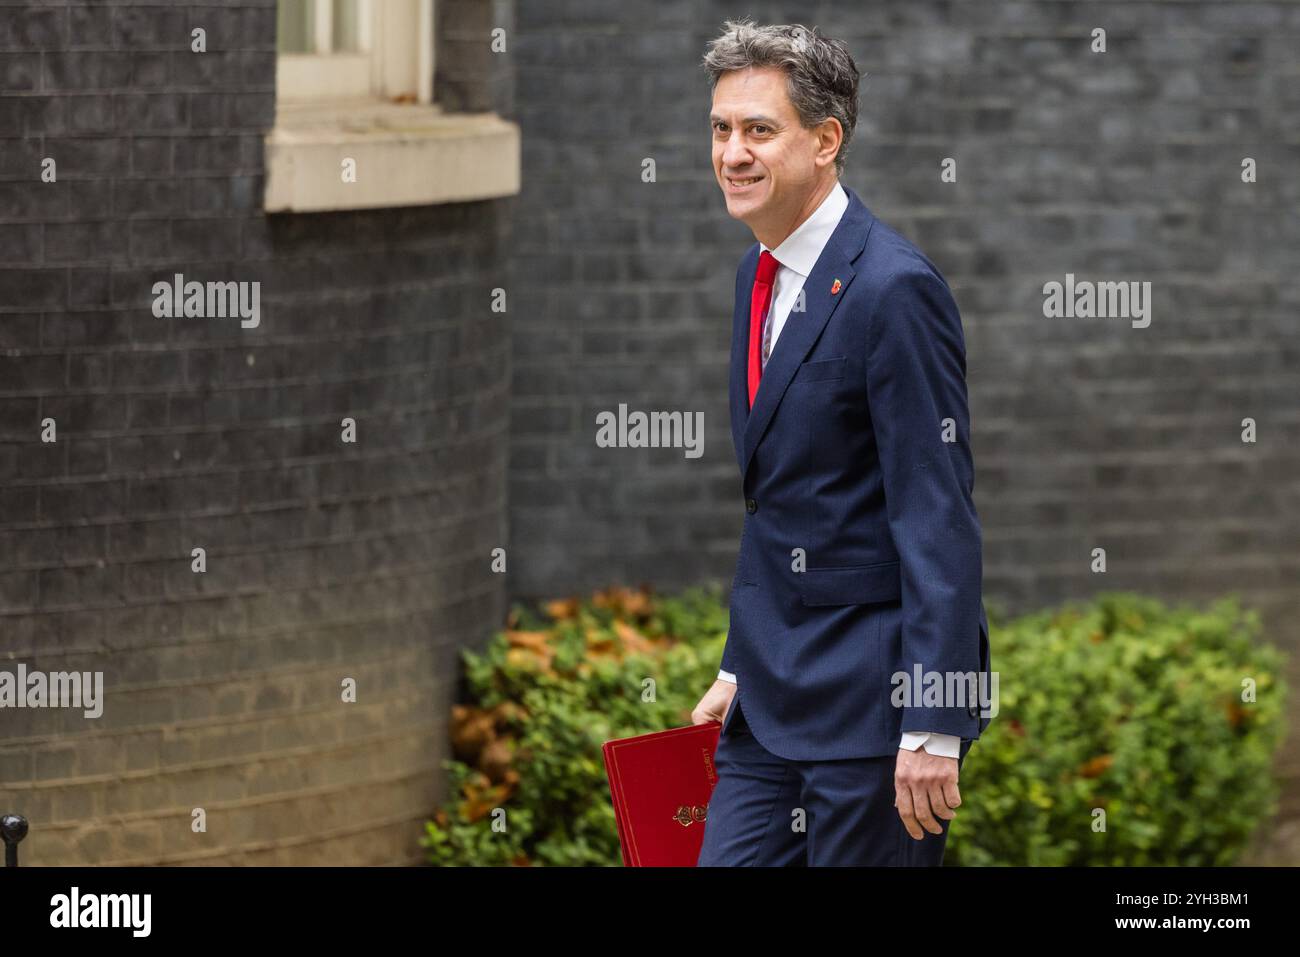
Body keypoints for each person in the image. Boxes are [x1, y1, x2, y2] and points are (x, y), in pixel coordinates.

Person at [692, 18, 992, 866]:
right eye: (721, 129)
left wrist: (936, 722)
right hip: (767, 705)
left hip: (874, 718)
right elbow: (782, 502)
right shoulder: (757, 272)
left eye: (759, 130)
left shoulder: (895, 290)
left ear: (826, 141)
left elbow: (937, 515)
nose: (733, 153)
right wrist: (740, 663)